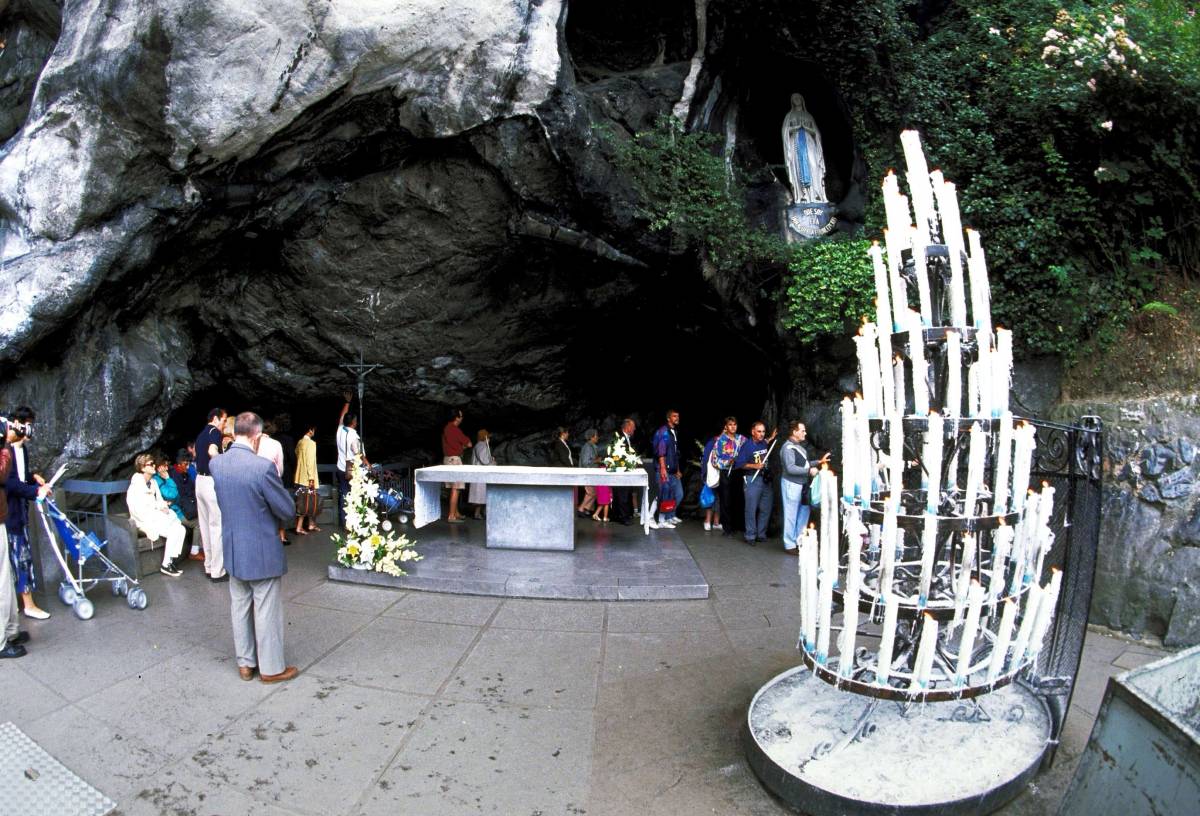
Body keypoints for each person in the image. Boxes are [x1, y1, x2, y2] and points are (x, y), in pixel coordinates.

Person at [210, 412, 299, 684]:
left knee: (239, 606)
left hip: (234, 548)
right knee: (266, 609)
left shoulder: (218, 465)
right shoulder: (262, 468)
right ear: (257, 436)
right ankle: (271, 669)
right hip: (261, 550)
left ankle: (245, 664)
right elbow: (286, 509)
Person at [1, 418, 47, 659]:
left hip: (4, 517)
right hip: (3, 519)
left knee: (6, 578)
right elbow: (3, 477)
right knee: (1, 580)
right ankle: (1, 641)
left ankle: (10, 632)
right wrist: (6, 444)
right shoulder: (4, 449)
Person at [4, 408, 51, 619]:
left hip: (19, 511)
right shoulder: (5, 450)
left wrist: (34, 479)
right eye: (27, 424)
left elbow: (21, 476)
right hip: (9, 514)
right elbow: (9, 483)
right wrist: (34, 491)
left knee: (21, 557)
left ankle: (20, 604)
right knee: (19, 558)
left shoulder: (21, 450)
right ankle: (27, 604)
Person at [127, 453, 188, 577]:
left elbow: (159, 500)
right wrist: (159, 508)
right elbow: (138, 509)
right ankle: (166, 565)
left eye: (153, 463)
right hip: (143, 520)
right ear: (143, 468)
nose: (154, 466)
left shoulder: (153, 482)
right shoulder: (136, 486)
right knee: (174, 530)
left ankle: (169, 562)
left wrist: (163, 506)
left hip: (155, 516)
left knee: (180, 528)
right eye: (151, 464)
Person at [781, 421, 827, 555]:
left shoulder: (798, 447)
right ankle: (789, 544)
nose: (805, 433)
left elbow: (804, 464)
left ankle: (798, 541)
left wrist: (819, 462)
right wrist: (808, 471)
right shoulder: (788, 448)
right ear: (794, 432)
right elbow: (790, 468)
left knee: (803, 513)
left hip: (802, 484)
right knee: (791, 514)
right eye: (802, 430)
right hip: (792, 484)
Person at [194, 407, 228, 582]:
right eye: (224, 420)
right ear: (215, 419)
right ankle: (218, 570)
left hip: (199, 481)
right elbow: (212, 452)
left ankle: (208, 566)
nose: (224, 424)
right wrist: (222, 466)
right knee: (217, 527)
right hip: (211, 482)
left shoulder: (201, 434)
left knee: (205, 526)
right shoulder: (215, 432)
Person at [781, 93, 828, 204]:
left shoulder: (809, 116)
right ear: (792, 101)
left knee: (813, 165)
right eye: (794, 98)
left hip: (809, 143)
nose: (797, 100)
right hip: (795, 143)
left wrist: (806, 127)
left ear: (802, 100)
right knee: (798, 167)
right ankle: (802, 196)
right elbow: (785, 131)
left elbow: (816, 132)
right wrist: (796, 127)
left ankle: (815, 195)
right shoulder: (789, 116)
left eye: (798, 98)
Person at [736, 421, 777, 545]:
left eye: (763, 432)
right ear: (752, 432)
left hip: (765, 479)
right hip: (752, 479)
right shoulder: (747, 446)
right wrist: (755, 466)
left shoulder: (763, 443)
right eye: (759, 431)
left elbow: (766, 441)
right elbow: (739, 464)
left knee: (766, 507)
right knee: (751, 509)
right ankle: (750, 536)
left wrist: (771, 437)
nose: (761, 434)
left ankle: (761, 534)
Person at [337, 396, 369, 529]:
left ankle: (344, 522)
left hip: (341, 467)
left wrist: (347, 402)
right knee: (354, 496)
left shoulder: (340, 430)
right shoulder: (353, 437)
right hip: (352, 471)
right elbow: (359, 454)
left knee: (344, 494)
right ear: (354, 423)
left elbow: (342, 416)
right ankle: (354, 523)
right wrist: (368, 464)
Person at [255, 421, 288, 546]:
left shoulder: (254, 443)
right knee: (275, 509)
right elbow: (280, 467)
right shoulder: (276, 444)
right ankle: (279, 536)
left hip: (256, 480)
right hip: (273, 480)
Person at [713, 417, 747, 537]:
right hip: (726, 473)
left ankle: (737, 526)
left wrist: (767, 440)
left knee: (738, 499)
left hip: (738, 472)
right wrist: (727, 462)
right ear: (726, 426)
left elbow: (752, 447)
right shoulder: (720, 440)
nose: (733, 427)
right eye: (730, 425)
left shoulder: (741, 439)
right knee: (726, 500)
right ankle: (727, 529)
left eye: (735, 424)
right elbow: (714, 460)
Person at [651, 410, 683, 528]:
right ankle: (652, 518)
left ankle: (664, 519)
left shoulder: (673, 432)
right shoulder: (663, 432)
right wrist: (663, 468)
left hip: (672, 470)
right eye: (674, 416)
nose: (677, 418)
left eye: (678, 416)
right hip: (664, 469)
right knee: (662, 494)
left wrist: (677, 469)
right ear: (668, 418)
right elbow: (661, 452)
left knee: (670, 495)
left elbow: (675, 454)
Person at [441, 409, 472, 523]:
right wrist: (462, 447)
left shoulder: (446, 428)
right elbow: (468, 443)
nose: (462, 418)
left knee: (453, 488)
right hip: (455, 460)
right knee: (456, 488)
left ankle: (456, 513)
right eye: (461, 416)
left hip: (447, 459)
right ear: (457, 418)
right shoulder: (455, 429)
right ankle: (451, 516)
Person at [609, 418, 638, 525]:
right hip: (621, 470)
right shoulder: (619, 437)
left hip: (625, 470)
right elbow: (617, 453)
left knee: (622, 493)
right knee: (622, 494)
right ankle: (623, 517)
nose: (634, 429)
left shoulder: (628, 438)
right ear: (628, 427)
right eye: (633, 427)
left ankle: (617, 515)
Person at [293, 424, 319, 535]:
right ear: (310, 430)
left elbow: (296, 454)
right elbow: (309, 461)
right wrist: (311, 478)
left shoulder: (300, 442)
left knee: (304, 502)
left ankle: (311, 524)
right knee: (306, 502)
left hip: (299, 476)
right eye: (314, 430)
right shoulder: (311, 444)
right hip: (308, 478)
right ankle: (299, 527)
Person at [468, 428, 493, 520]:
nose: (489, 439)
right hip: (480, 475)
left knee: (480, 495)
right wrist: (492, 461)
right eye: (488, 437)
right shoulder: (482, 446)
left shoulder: (479, 445)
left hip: (479, 474)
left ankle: (479, 513)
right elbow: (484, 460)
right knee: (480, 495)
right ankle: (477, 514)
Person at [700, 431, 722, 532]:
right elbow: (705, 460)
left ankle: (716, 522)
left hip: (722, 475)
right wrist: (704, 474)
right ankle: (707, 521)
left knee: (719, 499)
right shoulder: (712, 442)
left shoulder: (729, 443)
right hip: (711, 475)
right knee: (710, 498)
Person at [576, 429, 600, 517]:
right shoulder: (587, 447)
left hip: (591, 474)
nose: (598, 437)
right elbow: (585, 462)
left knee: (593, 492)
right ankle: (581, 509)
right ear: (591, 437)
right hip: (587, 474)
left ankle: (586, 509)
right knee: (591, 492)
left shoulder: (592, 446)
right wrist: (596, 460)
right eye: (596, 436)